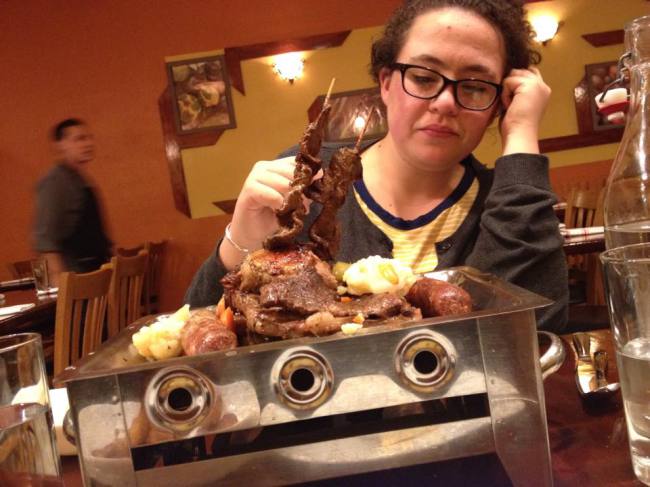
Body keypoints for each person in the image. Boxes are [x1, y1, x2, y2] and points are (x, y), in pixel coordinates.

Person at [185, 0, 568, 332]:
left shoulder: (509, 203)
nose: (446, 102)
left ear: (500, 103)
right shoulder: (307, 182)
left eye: (475, 86)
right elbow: (198, 332)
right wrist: (239, 241)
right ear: (386, 83)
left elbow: (537, 331)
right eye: (423, 77)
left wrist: (521, 134)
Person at [33, 118, 112, 286]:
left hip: (95, 273)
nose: (88, 144)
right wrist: (62, 285)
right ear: (60, 145)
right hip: (77, 277)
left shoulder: (79, 179)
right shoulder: (55, 182)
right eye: (79, 139)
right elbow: (46, 240)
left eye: (89, 138)